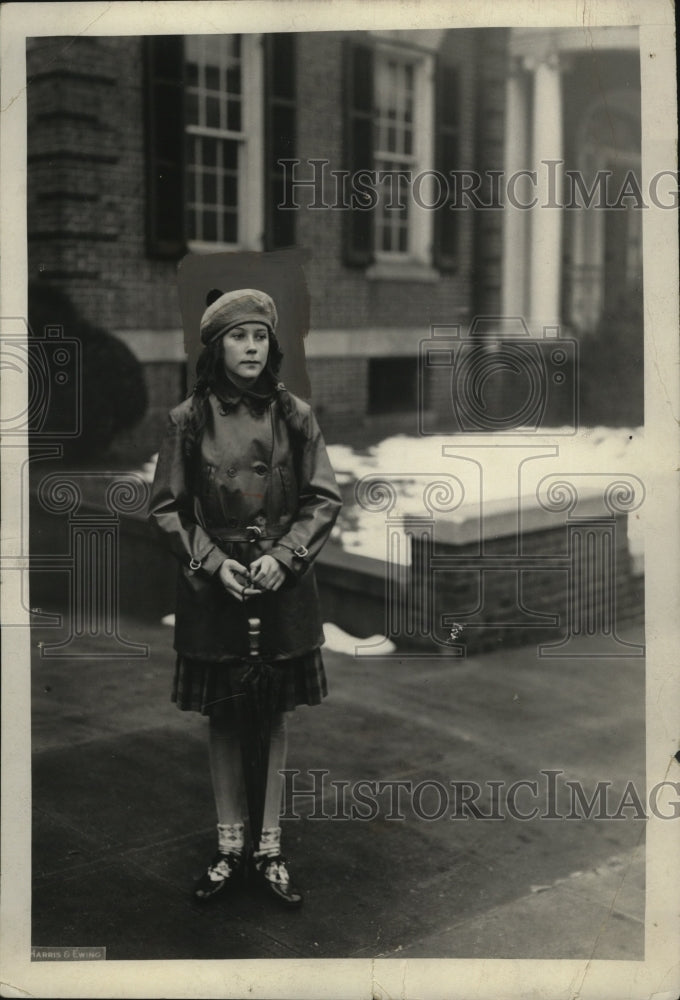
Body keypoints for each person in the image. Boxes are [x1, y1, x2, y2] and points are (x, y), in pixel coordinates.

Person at [148, 287, 342, 908]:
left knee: (276, 714)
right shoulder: (187, 419)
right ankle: (230, 845)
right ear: (216, 347)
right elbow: (168, 507)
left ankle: (269, 847)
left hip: (282, 583)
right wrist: (212, 562)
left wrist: (285, 557)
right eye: (239, 336)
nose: (251, 347)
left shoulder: (296, 415)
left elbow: (323, 497)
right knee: (227, 715)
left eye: (260, 336)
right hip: (217, 585)